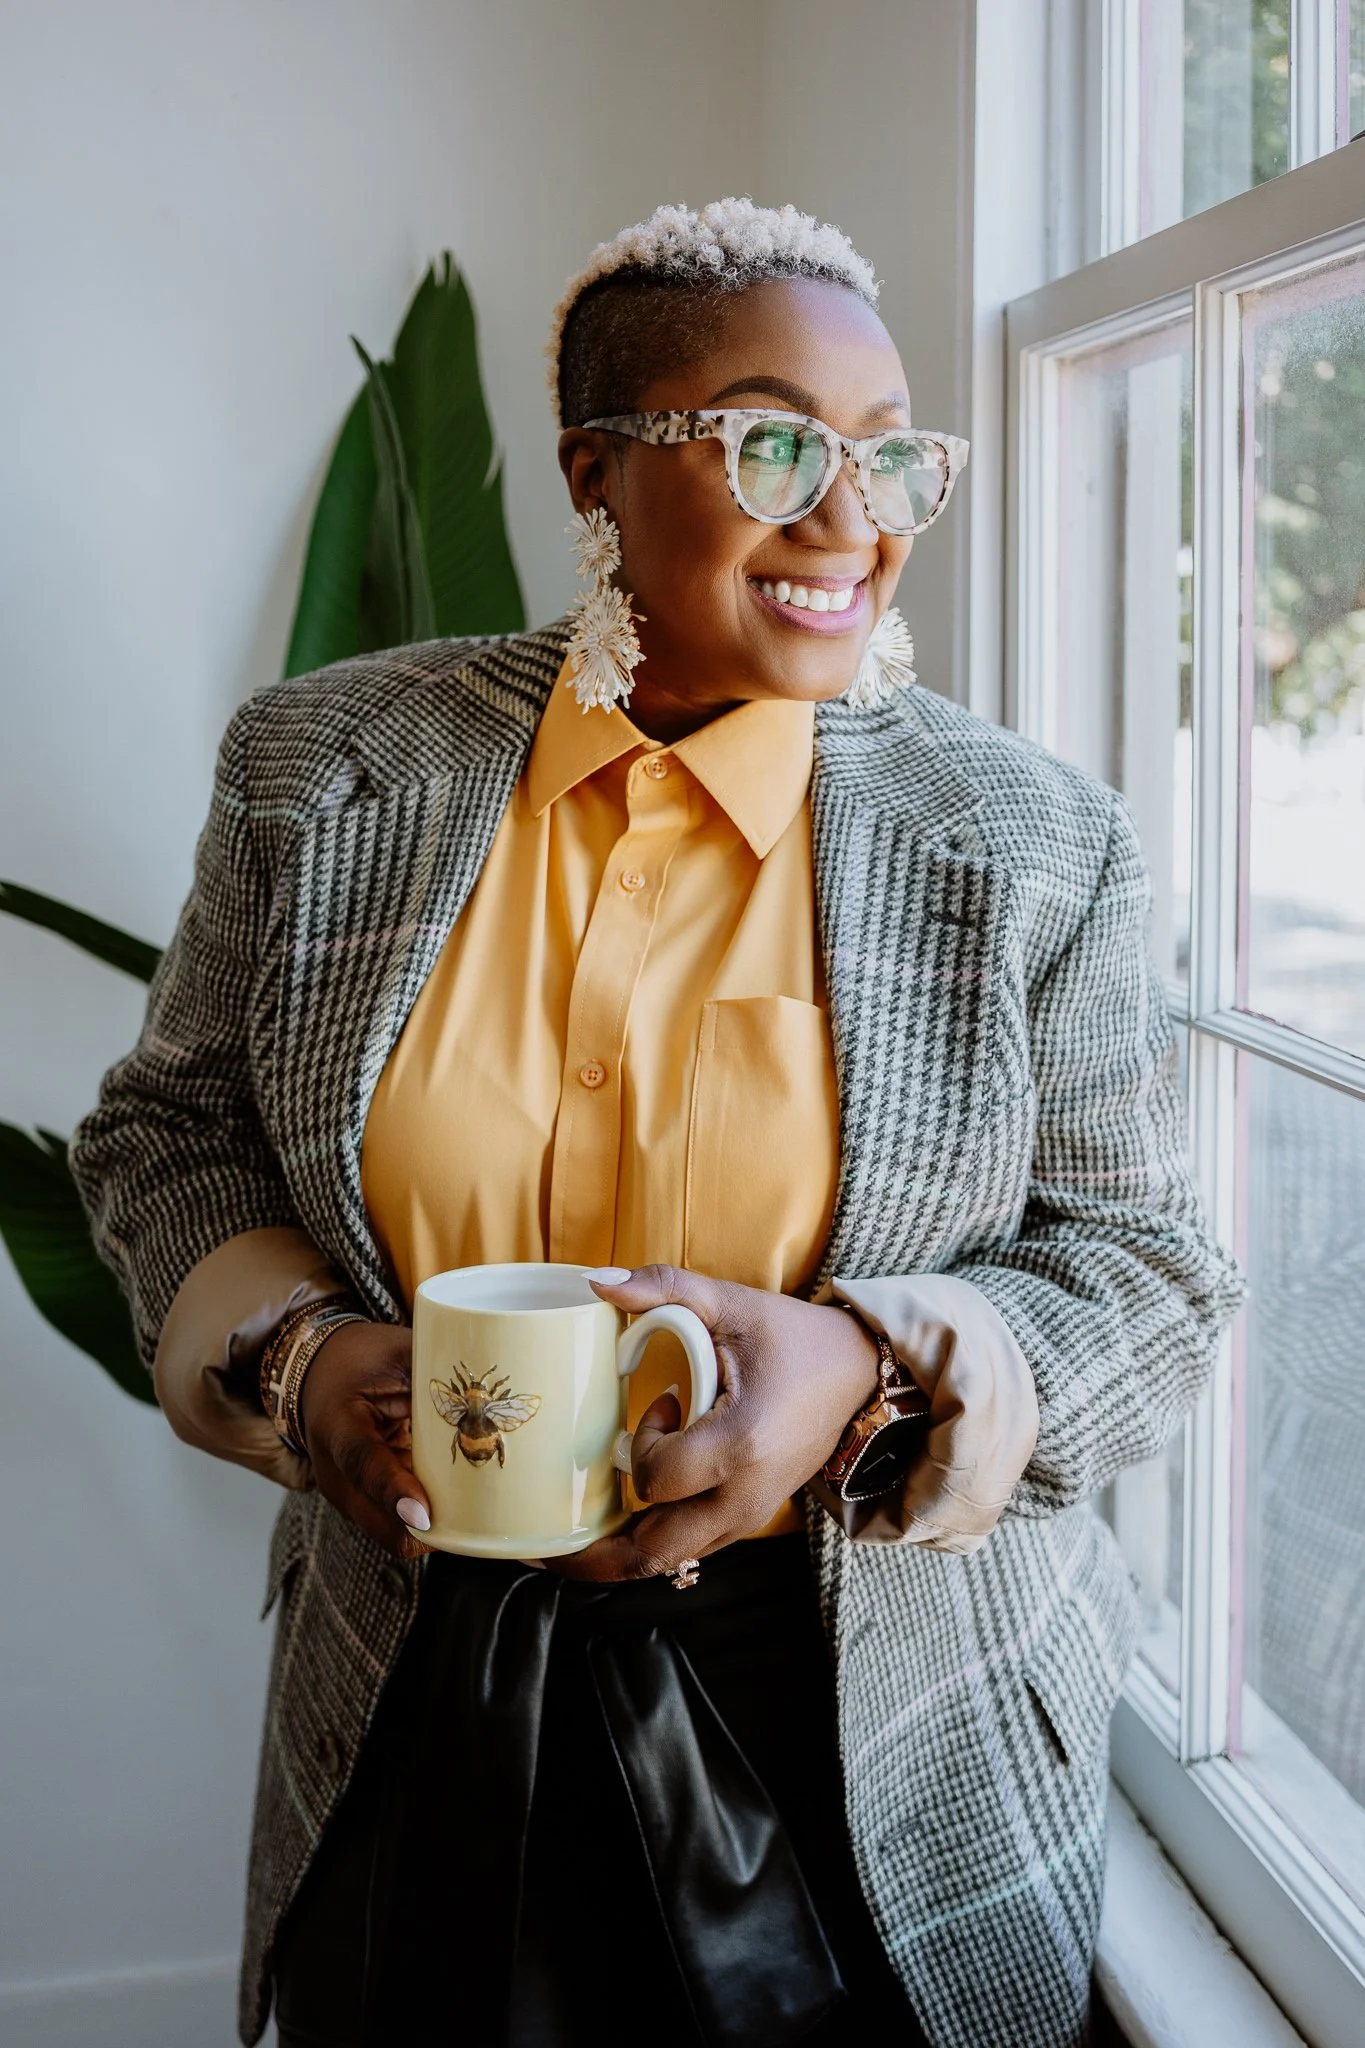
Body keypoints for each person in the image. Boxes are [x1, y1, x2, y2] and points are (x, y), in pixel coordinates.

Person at [71, 199, 1243, 2048]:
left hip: (872, 1719)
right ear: (595, 476)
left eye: (891, 457)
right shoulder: (319, 771)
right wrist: (299, 1357)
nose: (849, 516)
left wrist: (866, 1375)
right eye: (773, 444)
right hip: (414, 1684)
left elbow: (1153, 1271)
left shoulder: (1035, 845)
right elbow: (167, 1135)